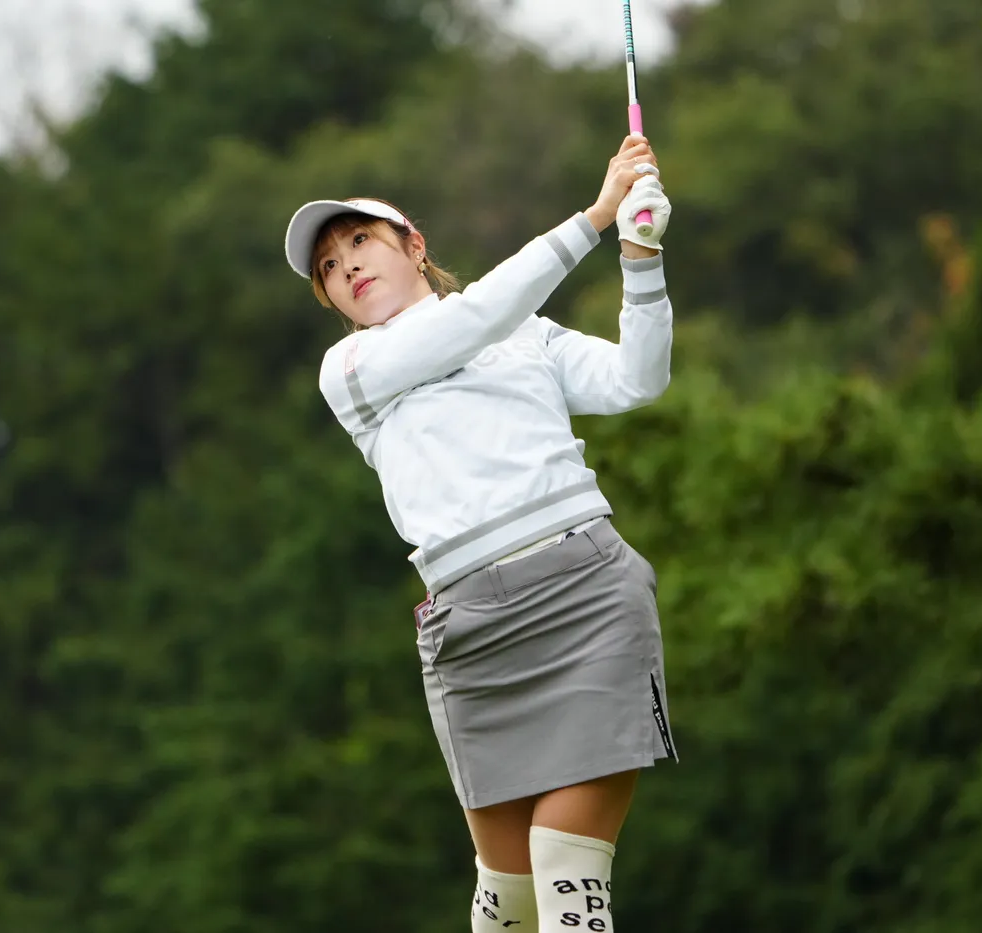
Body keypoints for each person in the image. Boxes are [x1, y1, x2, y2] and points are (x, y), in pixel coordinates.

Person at [283, 132, 676, 932]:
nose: (346, 266)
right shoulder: (351, 373)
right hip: (472, 629)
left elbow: (636, 379)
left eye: (360, 242)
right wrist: (595, 216)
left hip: (588, 591)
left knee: (566, 867)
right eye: (328, 266)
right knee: (508, 897)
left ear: (414, 247)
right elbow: (472, 319)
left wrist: (640, 256)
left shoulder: (524, 331)